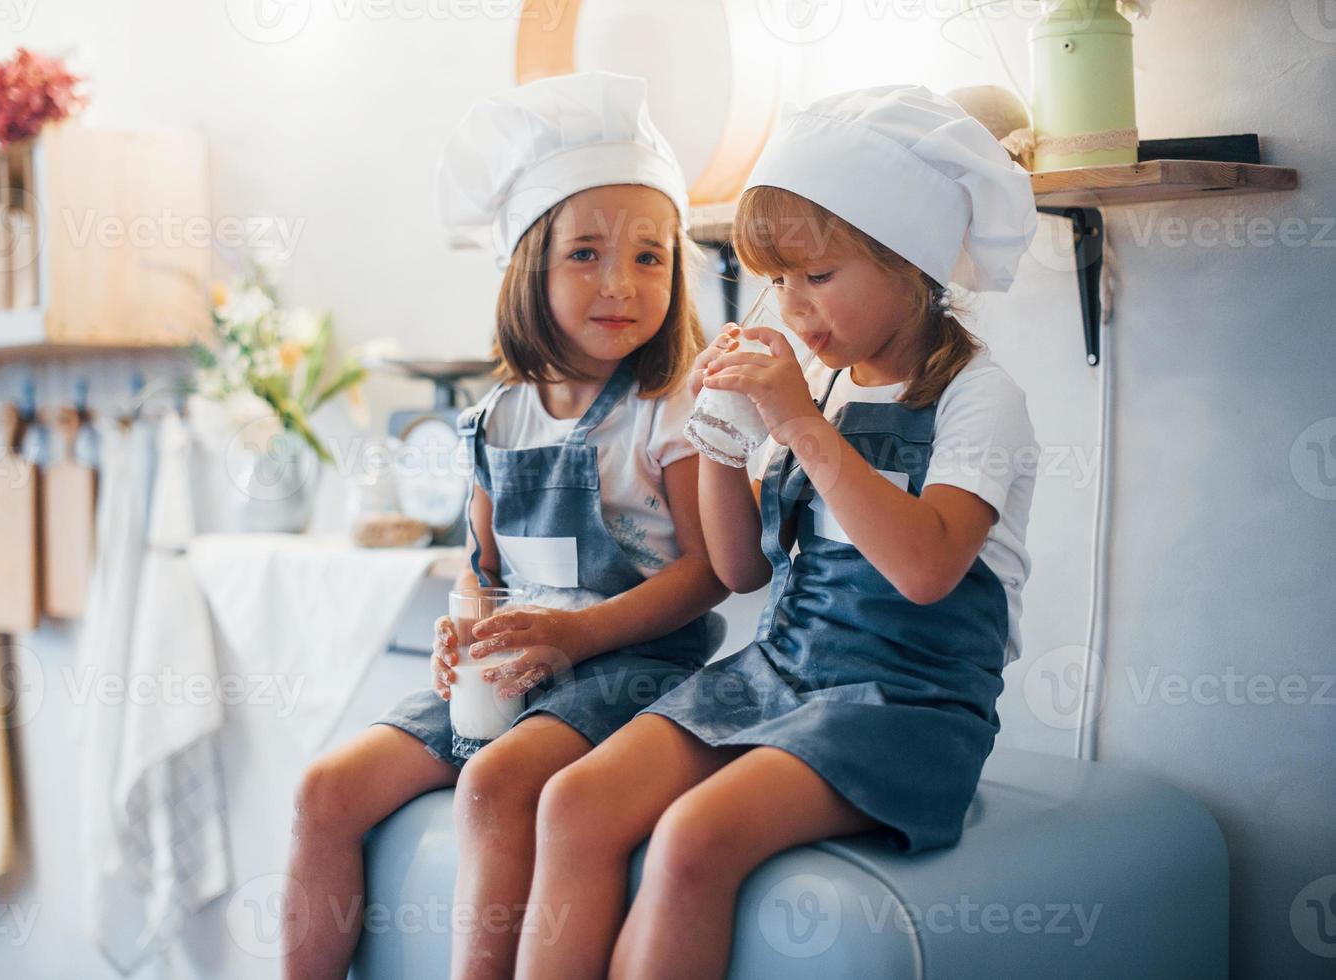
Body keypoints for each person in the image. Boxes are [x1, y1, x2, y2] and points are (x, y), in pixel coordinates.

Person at [517, 84, 1042, 980]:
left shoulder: (977, 397)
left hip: (903, 706)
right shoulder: (828, 384)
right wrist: (720, 434)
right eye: (779, 283)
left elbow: (925, 569)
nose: (794, 310)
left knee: (692, 838)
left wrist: (801, 423)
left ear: (911, 261)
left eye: (820, 277)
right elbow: (740, 568)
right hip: (783, 671)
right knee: (574, 801)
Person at [281, 71, 727, 980]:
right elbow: (478, 567)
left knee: (491, 786)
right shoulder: (497, 418)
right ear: (529, 264)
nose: (623, 284)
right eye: (587, 254)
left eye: (651, 256)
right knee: (324, 790)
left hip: (628, 669)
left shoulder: (667, 408)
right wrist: (463, 627)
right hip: (514, 667)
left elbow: (710, 572)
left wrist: (577, 632)